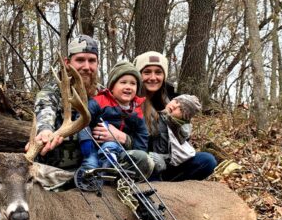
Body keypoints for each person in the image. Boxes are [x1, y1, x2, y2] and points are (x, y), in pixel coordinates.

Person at [132, 51, 217, 181]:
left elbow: (180, 147)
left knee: (207, 160)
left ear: (164, 76)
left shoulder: (172, 101)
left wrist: (182, 125)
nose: (153, 77)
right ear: (139, 75)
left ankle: (173, 188)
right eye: (147, 72)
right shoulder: (131, 101)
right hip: (144, 165)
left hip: (167, 163)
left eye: (158, 72)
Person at [32, 34, 104, 170]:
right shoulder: (51, 92)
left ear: (98, 63)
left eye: (92, 60)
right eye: (80, 60)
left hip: (96, 173)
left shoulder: (104, 95)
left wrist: (124, 138)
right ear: (67, 63)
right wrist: (45, 130)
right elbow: (44, 110)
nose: (87, 66)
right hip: (54, 175)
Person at [77, 61, 154, 178]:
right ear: (112, 87)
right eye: (123, 82)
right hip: (94, 146)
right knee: (90, 164)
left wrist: (137, 148)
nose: (128, 87)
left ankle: (109, 175)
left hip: (121, 150)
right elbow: (82, 118)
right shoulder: (100, 101)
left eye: (133, 84)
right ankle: (86, 183)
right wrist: (85, 140)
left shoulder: (137, 111)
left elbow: (142, 136)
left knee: (116, 152)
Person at [149, 94, 202, 177]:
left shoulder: (184, 129)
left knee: (207, 159)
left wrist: (164, 158)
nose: (174, 106)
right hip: (151, 166)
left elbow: (181, 153)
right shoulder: (154, 119)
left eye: (181, 109)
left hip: (169, 165)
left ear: (185, 117)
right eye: (176, 101)